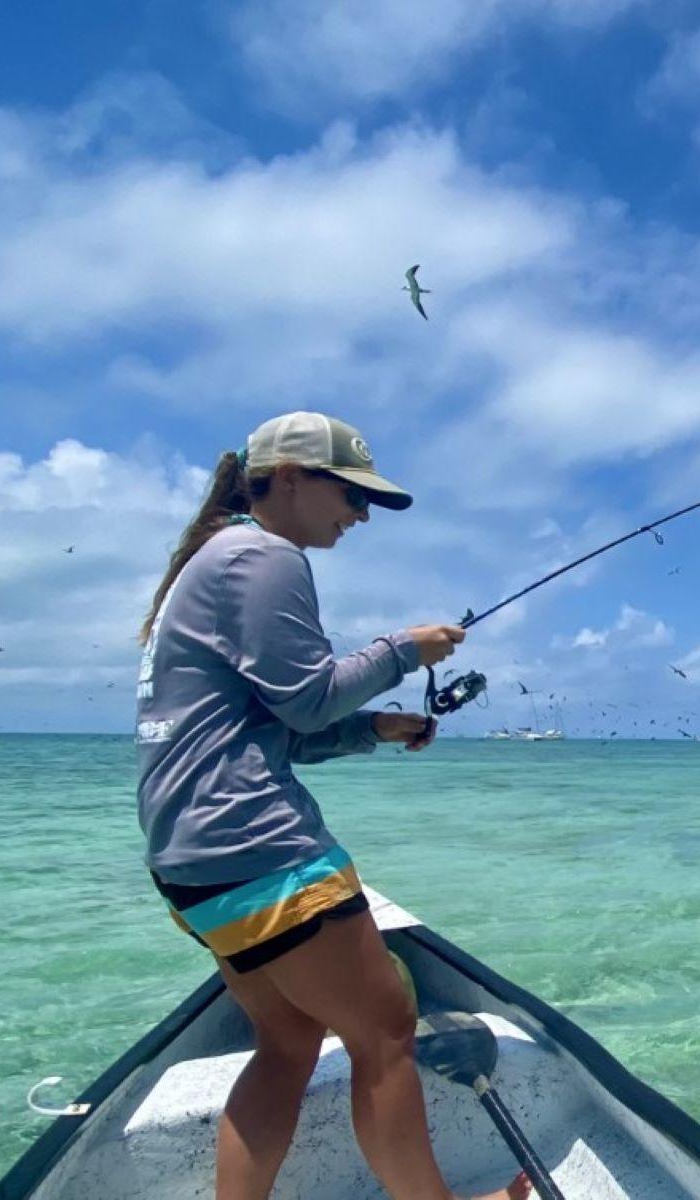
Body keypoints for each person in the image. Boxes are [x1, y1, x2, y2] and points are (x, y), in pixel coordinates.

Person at [135, 412, 528, 1200]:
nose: (360, 515)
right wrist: (403, 651)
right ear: (287, 477)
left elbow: (282, 727)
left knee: (289, 1041)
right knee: (385, 1031)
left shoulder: (211, 561)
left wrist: (375, 728)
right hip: (259, 845)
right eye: (350, 494)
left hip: (190, 857)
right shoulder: (262, 555)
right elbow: (309, 701)